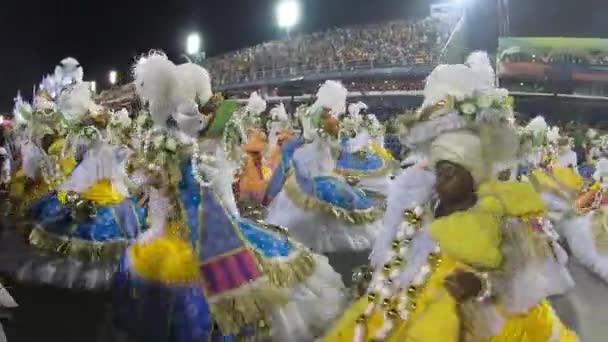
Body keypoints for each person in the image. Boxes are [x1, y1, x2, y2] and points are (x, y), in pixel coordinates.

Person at [325, 51, 576, 342]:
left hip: (471, 318)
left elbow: (522, 278)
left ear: (473, 175)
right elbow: (394, 251)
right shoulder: (421, 197)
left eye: (450, 173)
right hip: (405, 302)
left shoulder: (497, 211)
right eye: (439, 172)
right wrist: (379, 280)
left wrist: (481, 286)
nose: (441, 181)